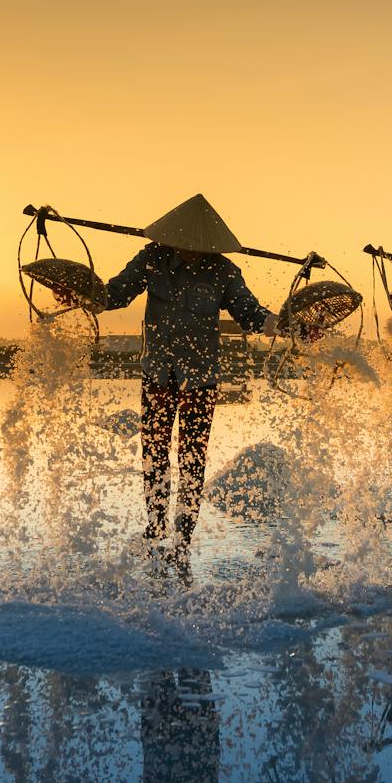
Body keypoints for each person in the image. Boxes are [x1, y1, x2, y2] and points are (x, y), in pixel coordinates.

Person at [101, 195, 278, 569]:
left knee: (192, 460)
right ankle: (154, 528)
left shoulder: (224, 272)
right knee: (155, 457)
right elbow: (115, 293)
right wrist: (82, 295)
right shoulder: (152, 258)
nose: (191, 252)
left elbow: (250, 313)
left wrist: (284, 325)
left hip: (200, 381)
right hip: (157, 377)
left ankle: (182, 541)